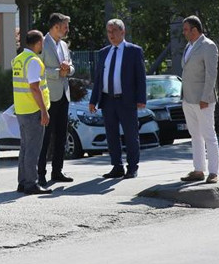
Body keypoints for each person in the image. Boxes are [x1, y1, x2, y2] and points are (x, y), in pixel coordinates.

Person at [88, 19, 147, 179]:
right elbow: (98, 79)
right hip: (108, 100)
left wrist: (141, 98)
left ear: (123, 32)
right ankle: (117, 166)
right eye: (109, 31)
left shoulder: (133, 51)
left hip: (126, 100)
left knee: (130, 134)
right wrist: (93, 100)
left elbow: (140, 77)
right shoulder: (104, 52)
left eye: (114, 31)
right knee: (111, 135)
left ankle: (132, 167)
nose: (111, 35)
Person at [179, 15, 219, 184]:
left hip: (203, 99)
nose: (184, 33)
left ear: (195, 30)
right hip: (188, 99)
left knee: (208, 135)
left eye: (186, 29)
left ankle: (213, 172)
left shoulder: (208, 46)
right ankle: (198, 170)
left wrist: (205, 97)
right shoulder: (189, 46)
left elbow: (211, 74)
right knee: (195, 135)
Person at [12, 30, 52, 195]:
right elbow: (35, 87)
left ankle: (22, 182)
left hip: (21, 109)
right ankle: (31, 184)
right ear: (38, 43)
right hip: (33, 109)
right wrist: (44, 111)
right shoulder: (33, 61)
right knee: (33, 149)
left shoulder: (18, 59)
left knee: (25, 147)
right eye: (42, 41)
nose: (43, 44)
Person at [38, 13, 75, 186]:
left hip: (64, 95)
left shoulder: (64, 45)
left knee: (61, 135)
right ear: (56, 27)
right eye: (65, 26)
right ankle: (40, 174)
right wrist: (56, 73)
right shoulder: (42, 44)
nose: (67, 29)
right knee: (45, 137)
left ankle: (57, 171)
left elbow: (71, 66)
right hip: (48, 97)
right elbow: (37, 71)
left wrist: (69, 69)